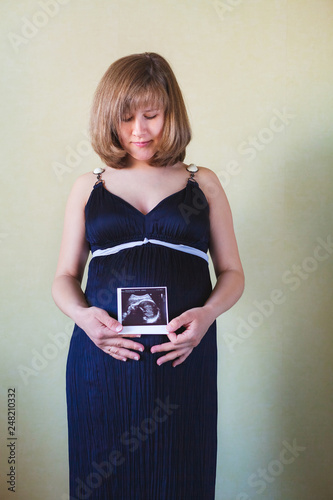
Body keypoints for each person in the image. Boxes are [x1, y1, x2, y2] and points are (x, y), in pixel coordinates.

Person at [52, 52, 244, 500]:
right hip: (103, 362)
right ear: (108, 119)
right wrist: (83, 318)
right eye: (125, 118)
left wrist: (208, 314)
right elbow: (64, 276)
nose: (139, 130)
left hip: (181, 360)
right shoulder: (89, 186)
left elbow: (232, 272)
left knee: (181, 479)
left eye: (152, 115)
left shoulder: (203, 182)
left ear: (171, 113)